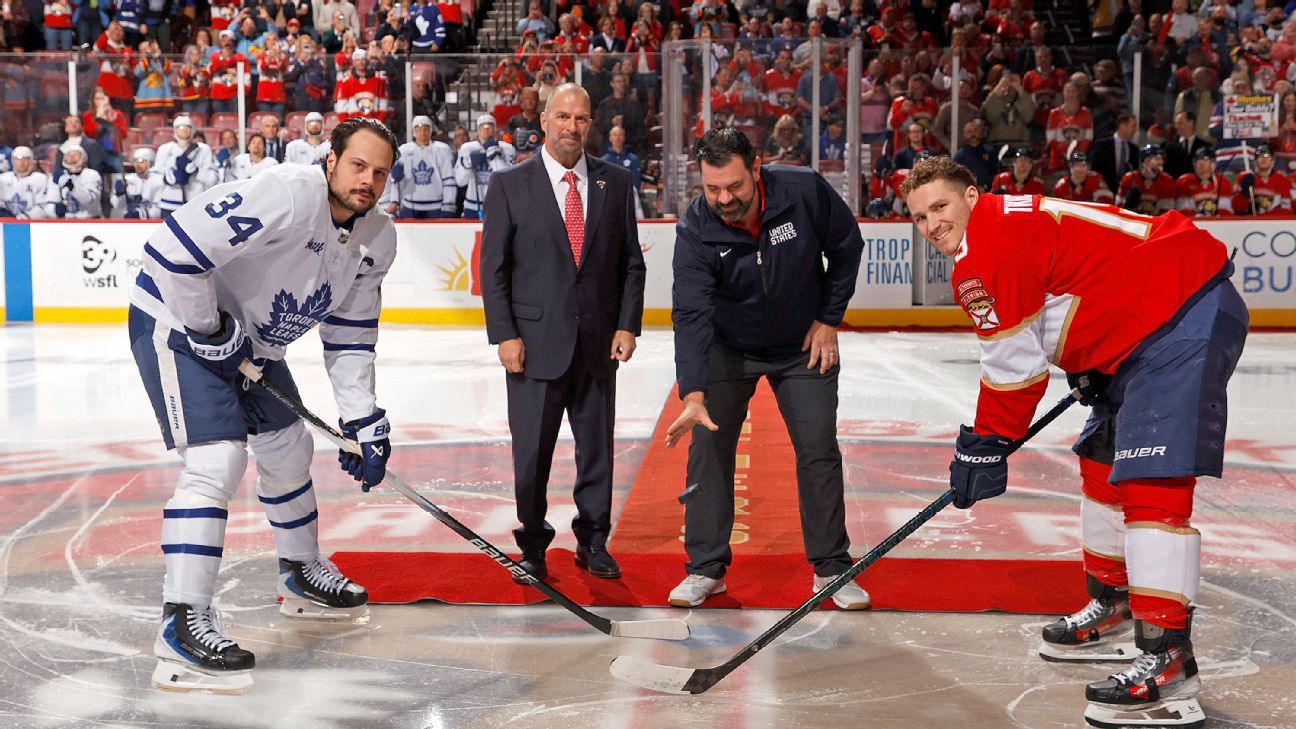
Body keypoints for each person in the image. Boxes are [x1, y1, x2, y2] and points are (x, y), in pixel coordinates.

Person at [901, 154, 1247, 728]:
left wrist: (985, 443)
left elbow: (1014, 372)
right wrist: (1090, 351)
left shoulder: (986, 249)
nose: (932, 223)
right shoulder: (1003, 222)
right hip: (1145, 323)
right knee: (1101, 461)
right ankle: (1113, 605)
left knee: (1149, 482)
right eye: (918, 217)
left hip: (1179, 316)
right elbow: (1079, 277)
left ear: (971, 195)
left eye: (939, 205)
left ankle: (1168, 658)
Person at [128, 117, 400, 695]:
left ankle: (301, 572)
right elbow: (174, 249)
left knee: (288, 447)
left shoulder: (377, 236)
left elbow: (350, 335)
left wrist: (362, 418)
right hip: (176, 318)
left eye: (380, 172)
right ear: (330, 160)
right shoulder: (288, 193)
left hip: (250, 341)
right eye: (358, 165)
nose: (368, 180)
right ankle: (180, 622)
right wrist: (208, 328)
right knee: (216, 461)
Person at [664, 128, 869, 611]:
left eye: (734, 186)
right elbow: (690, 314)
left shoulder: (802, 191)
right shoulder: (696, 228)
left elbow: (847, 246)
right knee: (709, 445)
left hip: (802, 345)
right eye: (712, 188)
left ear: (757, 169)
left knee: (818, 446)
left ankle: (831, 567)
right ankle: (705, 568)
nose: (723, 198)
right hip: (727, 348)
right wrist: (693, 393)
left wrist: (827, 319)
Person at [479, 83, 646, 584]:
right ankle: (532, 545)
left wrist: (626, 323)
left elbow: (631, 264)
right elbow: (494, 271)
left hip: (597, 345)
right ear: (545, 122)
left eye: (582, 118)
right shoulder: (510, 184)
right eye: (564, 117)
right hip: (531, 348)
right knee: (531, 455)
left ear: (590, 125)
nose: (573, 127)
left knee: (596, 449)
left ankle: (593, 541)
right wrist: (504, 334)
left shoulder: (615, 183)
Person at [383, 115, 455, 218]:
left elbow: (448, 179)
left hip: (435, 206)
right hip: (410, 205)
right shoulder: (404, 151)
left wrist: (448, 205)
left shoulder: (442, 150)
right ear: (413, 131)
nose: (422, 132)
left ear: (430, 130)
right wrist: (395, 200)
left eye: (425, 128)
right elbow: (396, 181)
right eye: (419, 129)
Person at [154, 115, 218, 218]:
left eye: (188, 127)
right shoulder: (164, 149)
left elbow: (213, 180)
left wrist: (196, 171)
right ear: (174, 130)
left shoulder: (203, 149)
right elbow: (153, 178)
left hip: (195, 203)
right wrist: (168, 179)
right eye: (180, 128)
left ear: (192, 130)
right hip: (169, 203)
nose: (184, 131)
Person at [455, 115, 515, 218]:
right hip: (473, 206)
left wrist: (495, 158)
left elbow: (508, 180)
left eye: (489, 126)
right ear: (477, 130)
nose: (486, 129)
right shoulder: (467, 148)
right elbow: (460, 181)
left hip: (499, 205)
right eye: (482, 126)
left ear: (495, 129)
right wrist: (468, 164)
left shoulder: (507, 148)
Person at [44, 145, 103, 218]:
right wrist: (55, 210)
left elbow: (89, 201)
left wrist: (73, 187)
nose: (72, 157)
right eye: (69, 155)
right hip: (66, 223)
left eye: (76, 154)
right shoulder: (59, 176)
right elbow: (48, 203)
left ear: (83, 158)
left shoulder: (92, 175)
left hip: (89, 222)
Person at [1117, 144, 1176, 216]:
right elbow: (1118, 207)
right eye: (1157, 158)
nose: (1161, 162)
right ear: (1146, 160)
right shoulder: (1129, 179)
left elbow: (1167, 213)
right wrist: (1128, 206)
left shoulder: (1167, 181)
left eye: (1162, 159)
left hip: (1154, 224)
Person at [1233, 143, 1291, 215]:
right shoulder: (1243, 177)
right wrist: (1243, 194)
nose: (1263, 159)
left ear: (1272, 160)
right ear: (1255, 161)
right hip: (1250, 223)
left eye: (1266, 156)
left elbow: (1286, 209)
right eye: (1260, 156)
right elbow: (1236, 209)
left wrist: (1265, 216)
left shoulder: (1282, 180)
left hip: (1274, 223)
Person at [1174, 147, 1233, 217]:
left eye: (1205, 159)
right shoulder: (1184, 181)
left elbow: (1226, 210)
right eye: (1198, 159)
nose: (1200, 162)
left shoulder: (1223, 181)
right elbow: (1182, 210)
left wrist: (1215, 218)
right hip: (1193, 222)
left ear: (1213, 163)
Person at [1091, 111, 1140, 193]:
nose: (1135, 130)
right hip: (1103, 192)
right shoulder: (1102, 145)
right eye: (1133, 126)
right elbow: (1094, 170)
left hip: (1125, 195)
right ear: (1123, 125)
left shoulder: (1134, 149)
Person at [111, 146, 163, 218]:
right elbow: (117, 205)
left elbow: (160, 209)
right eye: (135, 161)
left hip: (151, 224)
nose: (137, 165)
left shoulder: (159, 181)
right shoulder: (127, 180)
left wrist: (141, 214)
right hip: (130, 222)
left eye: (141, 161)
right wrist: (118, 195)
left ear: (150, 163)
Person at [0, 147, 50, 218]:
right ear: (13, 161)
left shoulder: (40, 179)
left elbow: (43, 207)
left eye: (25, 159)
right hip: (6, 221)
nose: (21, 163)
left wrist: (23, 217)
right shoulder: (3, 179)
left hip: (31, 223)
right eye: (18, 159)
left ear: (31, 161)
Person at [1051, 150, 1115, 204]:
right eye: (1077, 165)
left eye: (1084, 165)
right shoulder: (1061, 185)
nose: (1081, 168)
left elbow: (1107, 202)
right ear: (1071, 166)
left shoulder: (1096, 179)